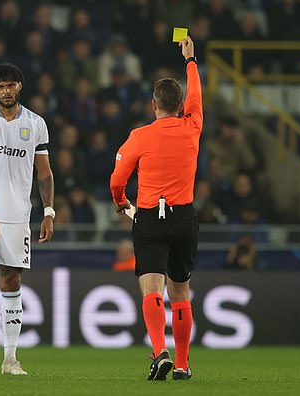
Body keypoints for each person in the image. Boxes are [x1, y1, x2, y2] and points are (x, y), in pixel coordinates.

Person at [110, 36, 202, 382]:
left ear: (154, 104)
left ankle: (159, 350)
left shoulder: (140, 137)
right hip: (183, 218)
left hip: (149, 217)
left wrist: (122, 203)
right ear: (180, 105)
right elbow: (197, 97)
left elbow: (116, 180)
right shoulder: (193, 127)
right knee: (180, 291)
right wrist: (190, 60)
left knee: (152, 290)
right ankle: (181, 363)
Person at [0, 63, 55, 375]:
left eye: (11, 85)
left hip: (18, 215)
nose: (6, 90)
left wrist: (48, 212)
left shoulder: (36, 123)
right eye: (1, 86)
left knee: (12, 280)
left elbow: (44, 174)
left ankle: (10, 359)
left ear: (20, 86)